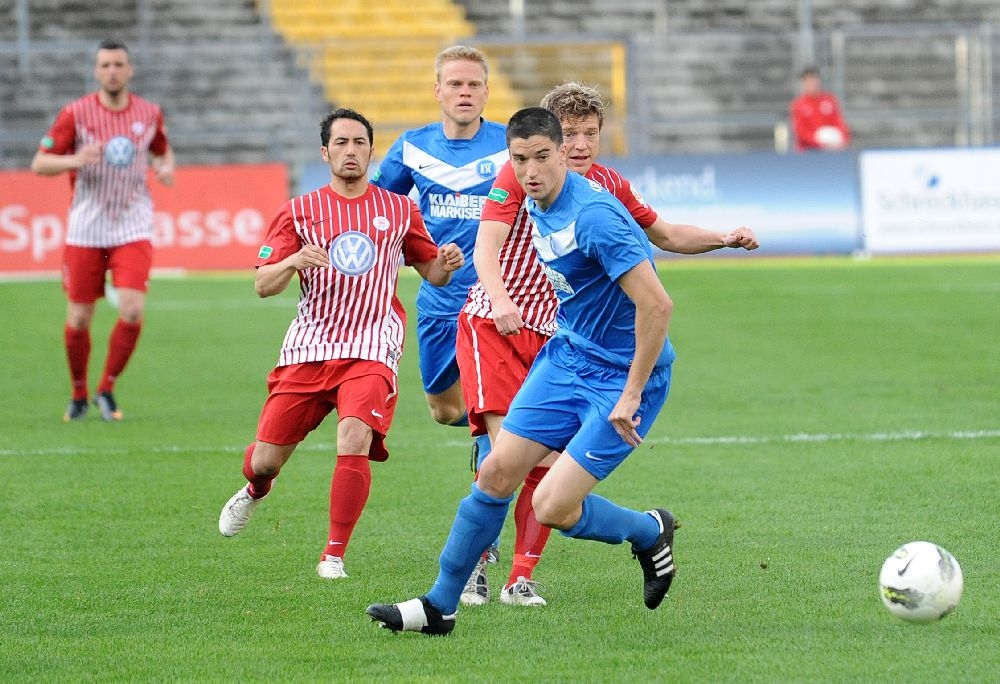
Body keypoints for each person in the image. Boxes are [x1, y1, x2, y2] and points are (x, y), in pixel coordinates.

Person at [368, 106, 697, 635]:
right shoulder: (527, 194)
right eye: (520, 160)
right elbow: (490, 246)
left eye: (542, 157)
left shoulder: (594, 216)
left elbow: (657, 305)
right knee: (496, 471)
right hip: (567, 357)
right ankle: (438, 606)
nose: (530, 171)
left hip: (622, 377)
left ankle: (647, 531)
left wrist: (632, 392)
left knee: (552, 507)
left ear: (562, 154)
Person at [456, 82, 759, 608]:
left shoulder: (607, 188)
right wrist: (501, 299)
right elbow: (486, 246)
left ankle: (521, 575)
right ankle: (474, 567)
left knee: (546, 469)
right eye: (570, 134)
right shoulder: (521, 172)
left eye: (590, 134)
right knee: (503, 457)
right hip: (498, 323)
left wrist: (723, 239)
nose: (580, 145)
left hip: (561, 332)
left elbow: (666, 235)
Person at [217, 108, 465, 579]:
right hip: (310, 347)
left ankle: (333, 556)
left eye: (359, 142)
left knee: (354, 436)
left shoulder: (399, 209)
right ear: (325, 152)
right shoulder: (298, 210)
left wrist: (446, 264)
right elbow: (264, 284)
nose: (351, 151)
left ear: (371, 151)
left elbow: (432, 271)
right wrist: (292, 260)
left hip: (372, 344)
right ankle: (254, 491)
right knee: (265, 461)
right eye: (341, 143)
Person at [371, 45, 507, 470]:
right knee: (445, 410)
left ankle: (496, 452)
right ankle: (492, 429)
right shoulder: (413, 147)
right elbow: (377, 208)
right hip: (440, 299)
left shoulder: (511, 145)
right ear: (438, 90)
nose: (465, 92)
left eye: (474, 84)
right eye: (455, 84)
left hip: (499, 300)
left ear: (486, 92)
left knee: (496, 402)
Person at [30, 39, 175, 422]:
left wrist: (165, 168)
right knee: (79, 318)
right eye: (106, 65)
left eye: (118, 64)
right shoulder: (75, 114)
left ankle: (106, 389)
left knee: (132, 310)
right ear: (97, 71)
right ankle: (78, 393)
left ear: (129, 70)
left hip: (132, 224)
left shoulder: (149, 112)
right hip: (87, 228)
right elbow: (40, 163)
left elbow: (161, 149)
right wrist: (76, 159)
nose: (112, 71)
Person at [789, 66, 851, 151]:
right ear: (803, 83)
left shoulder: (830, 100)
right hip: (808, 152)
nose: (812, 84)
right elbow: (800, 131)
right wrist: (819, 143)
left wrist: (843, 138)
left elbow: (839, 122)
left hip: (831, 150)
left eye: (814, 80)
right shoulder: (798, 105)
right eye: (808, 81)